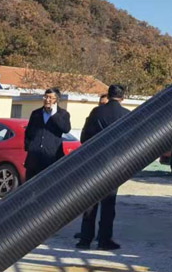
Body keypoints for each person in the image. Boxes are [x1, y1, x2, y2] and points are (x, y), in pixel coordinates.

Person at [76, 84, 131, 251]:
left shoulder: (96, 112)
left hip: (94, 163)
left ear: (108, 94)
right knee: (108, 205)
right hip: (114, 165)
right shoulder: (127, 115)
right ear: (122, 97)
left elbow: (84, 137)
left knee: (90, 203)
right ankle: (104, 240)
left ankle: (85, 239)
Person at [24, 88, 72, 181]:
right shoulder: (36, 113)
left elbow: (66, 129)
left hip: (51, 157)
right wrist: (29, 146)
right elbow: (28, 132)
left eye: (50, 98)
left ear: (56, 100)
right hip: (34, 157)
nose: (47, 100)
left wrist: (54, 114)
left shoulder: (63, 114)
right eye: (45, 97)